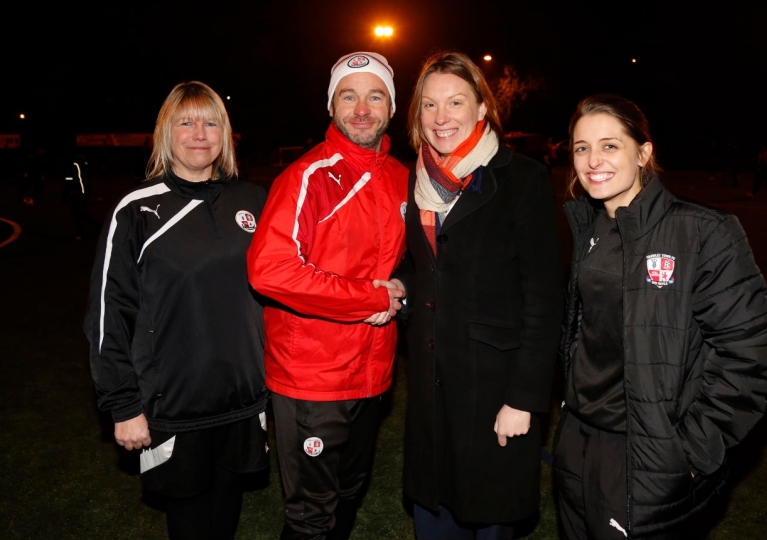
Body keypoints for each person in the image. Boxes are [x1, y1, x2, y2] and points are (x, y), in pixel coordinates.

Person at [555, 94, 767, 540]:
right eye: (582, 148)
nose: (593, 161)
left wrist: (692, 451)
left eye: (610, 146)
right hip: (578, 440)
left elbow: (752, 351)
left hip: (644, 451)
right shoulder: (589, 227)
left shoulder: (701, 231)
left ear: (644, 153)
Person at [389, 51, 563, 539]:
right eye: (429, 105)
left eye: (455, 102)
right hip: (431, 385)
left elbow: (544, 299)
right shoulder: (418, 177)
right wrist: (402, 280)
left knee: (490, 516)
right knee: (435, 515)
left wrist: (525, 398)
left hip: (495, 390)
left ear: (482, 109)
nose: (441, 118)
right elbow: (427, 262)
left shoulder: (522, 178)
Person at [84, 81, 269, 540]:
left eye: (210, 122)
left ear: (225, 134)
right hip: (174, 406)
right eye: (186, 122)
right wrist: (123, 403)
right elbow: (108, 315)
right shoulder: (136, 210)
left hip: (245, 401)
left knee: (226, 514)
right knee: (190, 522)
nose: (199, 133)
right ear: (166, 132)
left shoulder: (253, 201)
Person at [246, 52, 408, 540]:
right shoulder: (307, 175)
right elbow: (270, 270)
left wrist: (401, 287)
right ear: (331, 105)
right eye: (349, 95)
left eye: (375, 95)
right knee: (310, 512)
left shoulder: (404, 175)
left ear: (392, 107)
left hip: (374, 372)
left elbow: (411, 261)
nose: (362, 108)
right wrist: (370, 300)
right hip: (311, 378)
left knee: (350, 491)